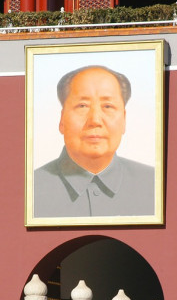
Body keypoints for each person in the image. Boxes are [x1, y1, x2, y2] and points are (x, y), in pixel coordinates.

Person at [33, 65, 155, 218]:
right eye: (82, 106)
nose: (95, 120)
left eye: (108, 106)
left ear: (124, 120)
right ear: (62, 120)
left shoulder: (154, 184)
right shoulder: (31, 189)